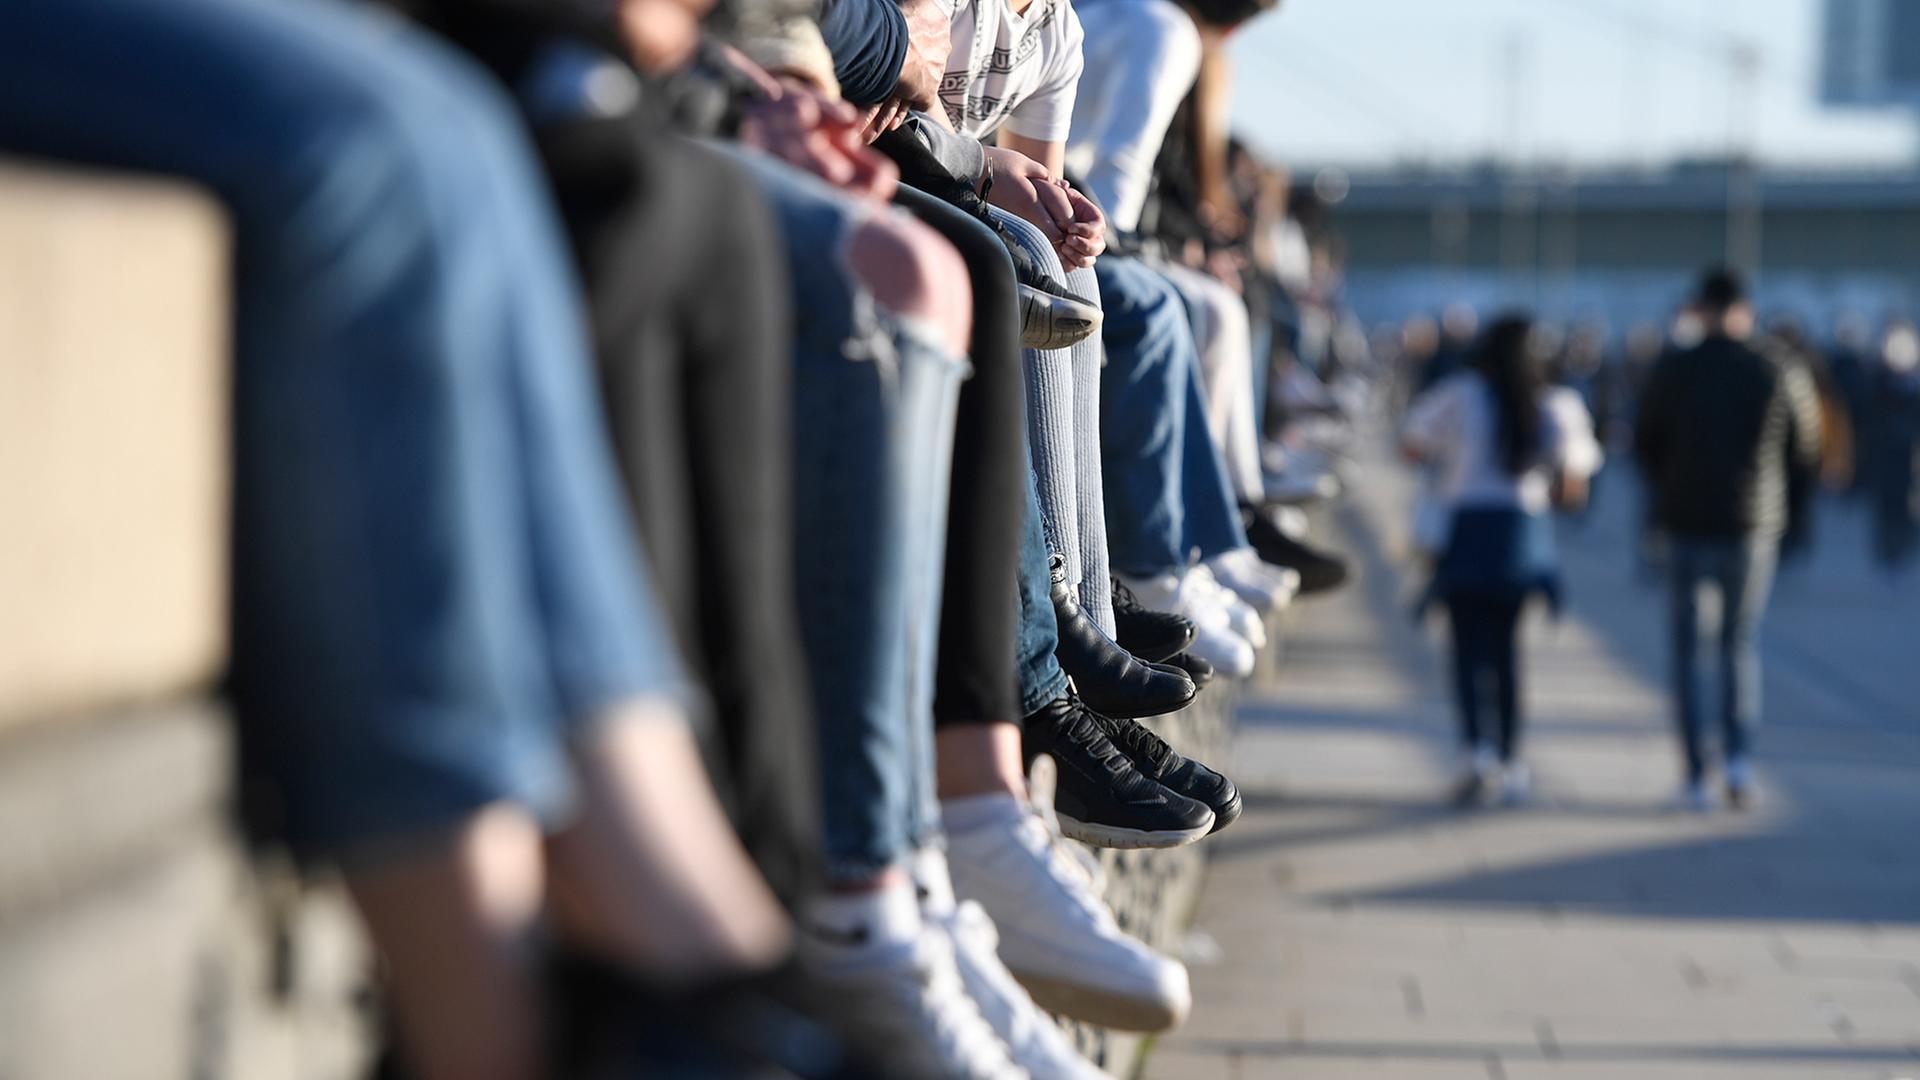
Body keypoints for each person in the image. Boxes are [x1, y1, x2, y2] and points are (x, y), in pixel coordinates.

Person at [1634, 268, 1823, 813]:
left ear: (1701, 309)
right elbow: (1805, 449)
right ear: (1747, 309)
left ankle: (1696, 773)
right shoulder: (1778, 367)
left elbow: (1646, 443)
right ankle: (1739, 763)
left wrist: (1668, 493)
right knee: (1740, 645)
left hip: (1685, 521)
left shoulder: (1676, 366)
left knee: (1687, 649)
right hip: (1752, 528)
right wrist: (1789, 515)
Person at [1403, 315, 1602, 807]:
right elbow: (1573, 486)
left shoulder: (1460, 394)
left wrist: (1455, 459)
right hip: (1521, 535)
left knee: (1467, 652)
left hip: (1466, 530)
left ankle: (1476, 753)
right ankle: (1511, 760)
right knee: (1508, 654)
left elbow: (1410, 445)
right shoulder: (1555, 403)